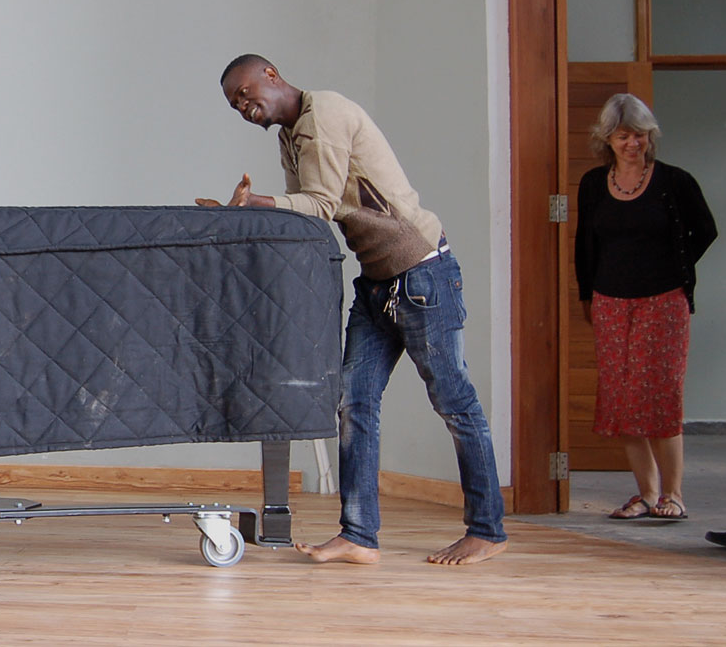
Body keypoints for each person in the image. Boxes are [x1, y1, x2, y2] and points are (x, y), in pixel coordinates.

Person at [197, 54, 507, 565]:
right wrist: (239, 217)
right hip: (378, 282)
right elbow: (313, 213)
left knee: (456, 404)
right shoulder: (289, 136)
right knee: (353, 404)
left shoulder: (327, 115)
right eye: (235, 105)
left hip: (422, 273)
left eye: (247, 93)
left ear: (272, 74)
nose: (244, 107)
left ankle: (487, 528)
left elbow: (317, 205)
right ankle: (359, 535)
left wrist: (258, 206)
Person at [574, 93, 715, 522]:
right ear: (608, 140)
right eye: (623, 136)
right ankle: (646, 495)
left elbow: (705, 230)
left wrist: (673, 268)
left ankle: (673, 494)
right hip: (610, 301)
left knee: (660, 396)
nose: (632, 143)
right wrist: (587, 295)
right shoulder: (596, 184)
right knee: (620, 399)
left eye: (638, 135)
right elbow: (585, 245)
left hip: (664, 301)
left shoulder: (675, 182)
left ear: (649, 137)